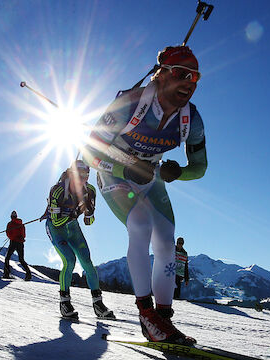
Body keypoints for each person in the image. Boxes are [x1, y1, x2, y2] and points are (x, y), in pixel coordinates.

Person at [82, 45, 207, 345]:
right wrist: (127, 169)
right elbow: (89, 151)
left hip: (150, 176)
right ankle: (146, 313)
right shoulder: (130, 102)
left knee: (166, 240)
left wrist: (178, 172)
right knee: (139, 224)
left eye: (195, 78)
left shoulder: (191, 119)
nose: (188, 84)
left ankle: (163, 319)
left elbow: (200, 167)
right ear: (160, 75)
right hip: (113, 172)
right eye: (181, 74)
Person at [40, 160, 115, 320]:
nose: (83, 180)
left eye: (86, 176)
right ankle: (64, 302)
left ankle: (98, 304)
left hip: (72, 228)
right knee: (69, 260)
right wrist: (74, 213)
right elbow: (55, 220)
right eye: (79, 176)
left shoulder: (90, 191)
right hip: (56, 228)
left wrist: (89, 212)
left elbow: (89, 222)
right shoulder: (58, 190)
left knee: (87, 262)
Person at [3, 210, 32, 281]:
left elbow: (8, 234)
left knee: (7, 258)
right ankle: (28, 274)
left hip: (13, 242)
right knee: (21, 259)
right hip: (20, 243)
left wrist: (13, 238)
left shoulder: (10, 224)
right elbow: (24, 235)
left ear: (11, 217)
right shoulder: (21, 224)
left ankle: (6, 274)